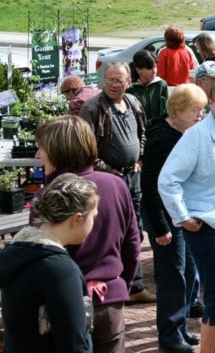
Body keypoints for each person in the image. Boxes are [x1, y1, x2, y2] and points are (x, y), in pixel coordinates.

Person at [158, 76, 215, 353]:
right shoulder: (198, 136)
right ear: (210, 103)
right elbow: (168, 179)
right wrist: (183, 216)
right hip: (205, 225)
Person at [32, 115, 141, 353]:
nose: (38, 155)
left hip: (65, 306)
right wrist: (121, 284)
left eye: (42, 148)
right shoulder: (116, 185)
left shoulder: (47, 197)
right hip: (109, 301)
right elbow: (132, 245)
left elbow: (41, 261)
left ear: (58, 150)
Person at [79, 62, 154, 303]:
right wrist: (107, 170)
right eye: (109, 79)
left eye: (118, 80)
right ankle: (120, 283)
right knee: (114, 231)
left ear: (128, 82)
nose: (113, 84)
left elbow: (142, 133)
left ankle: (135, 285)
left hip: (133, 176)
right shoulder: (92, 108)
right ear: (103, 82)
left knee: (135, 228)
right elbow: (86, 149)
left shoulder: (133, 103)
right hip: (109, 180)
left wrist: (140, 158)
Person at [141, 84, 208, 353]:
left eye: (202, 109)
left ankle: (179, 327)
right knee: (172, 277)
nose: (200, 115)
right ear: (178, 110)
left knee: (189, 273)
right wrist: (160, 226)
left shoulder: (184, 132)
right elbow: (150, 184)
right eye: (196, 110)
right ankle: (169, 336)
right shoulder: (162, 138)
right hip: (165, 219)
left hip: (182, 215)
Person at [0, 173, 98, 353]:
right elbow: (74, 344)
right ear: (77, 219)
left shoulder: (12, 255)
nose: (94, 224)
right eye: (93, 217)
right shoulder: (61, 269)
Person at [127, 49, 169, 121]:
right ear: (138, 70)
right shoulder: (130, 88)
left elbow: (167, 109)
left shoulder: (161, 84)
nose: (154, 71)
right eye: (150, 68)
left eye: (155, 66)